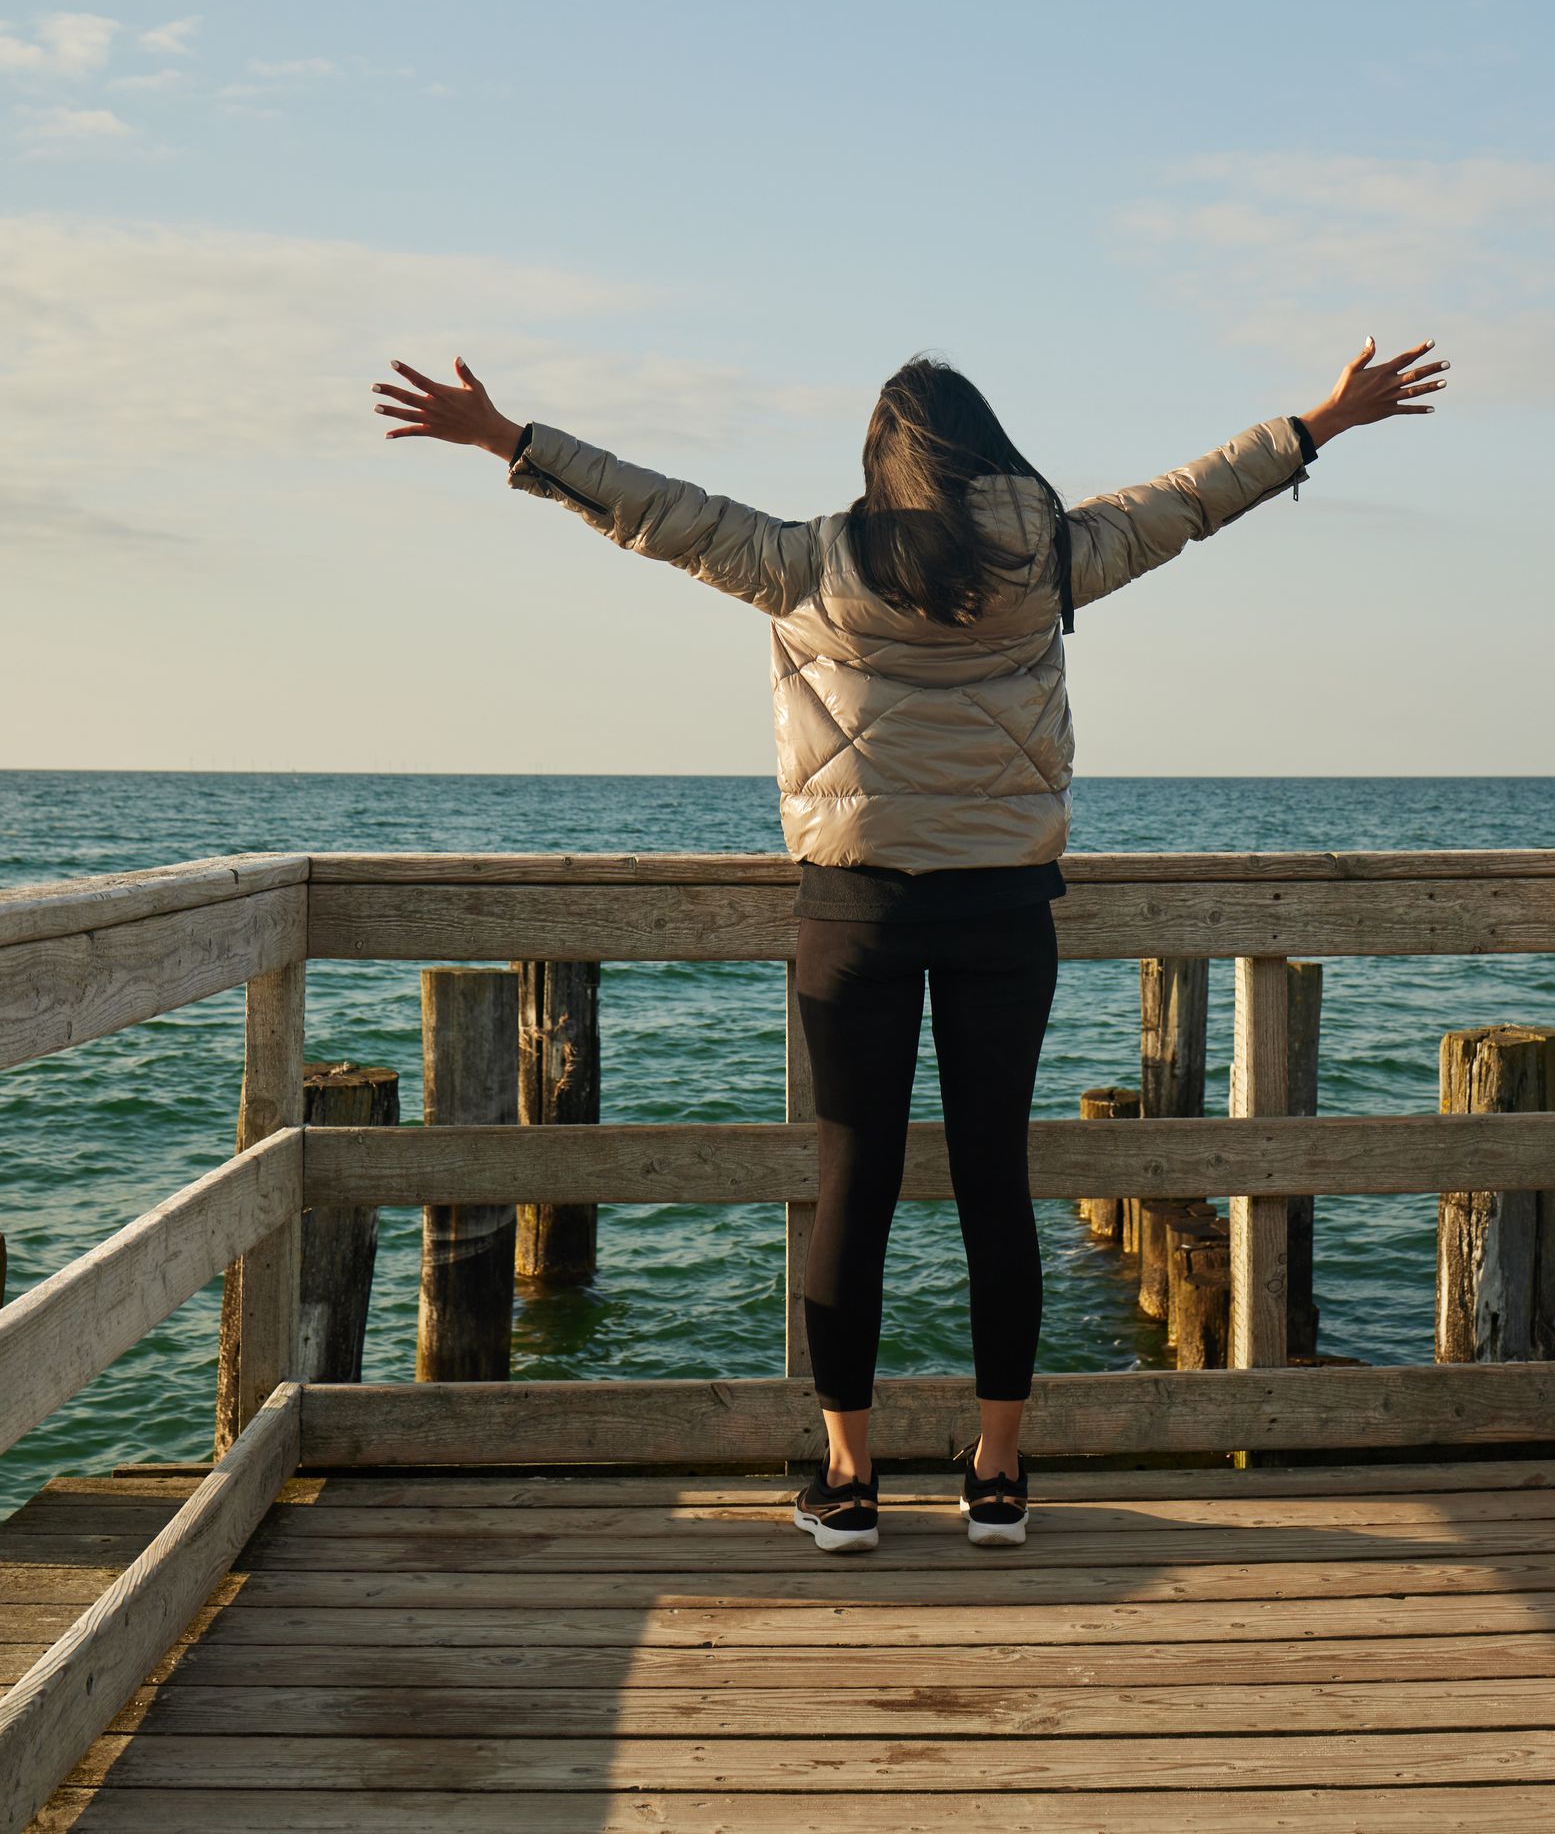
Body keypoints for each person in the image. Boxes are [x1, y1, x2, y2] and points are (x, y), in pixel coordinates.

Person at [372, 334, 1447, 1551]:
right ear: (987, 449)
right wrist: (1322, 420)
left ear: (883, 460)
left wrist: (508, 438)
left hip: (855, 913)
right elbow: (1196, 499)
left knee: (853, 1185)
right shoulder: (1050, 557)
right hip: (1003, 912)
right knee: (997, 1183)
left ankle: (849, 1477)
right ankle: (997, 1471)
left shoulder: (806, 562)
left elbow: (650, 510)